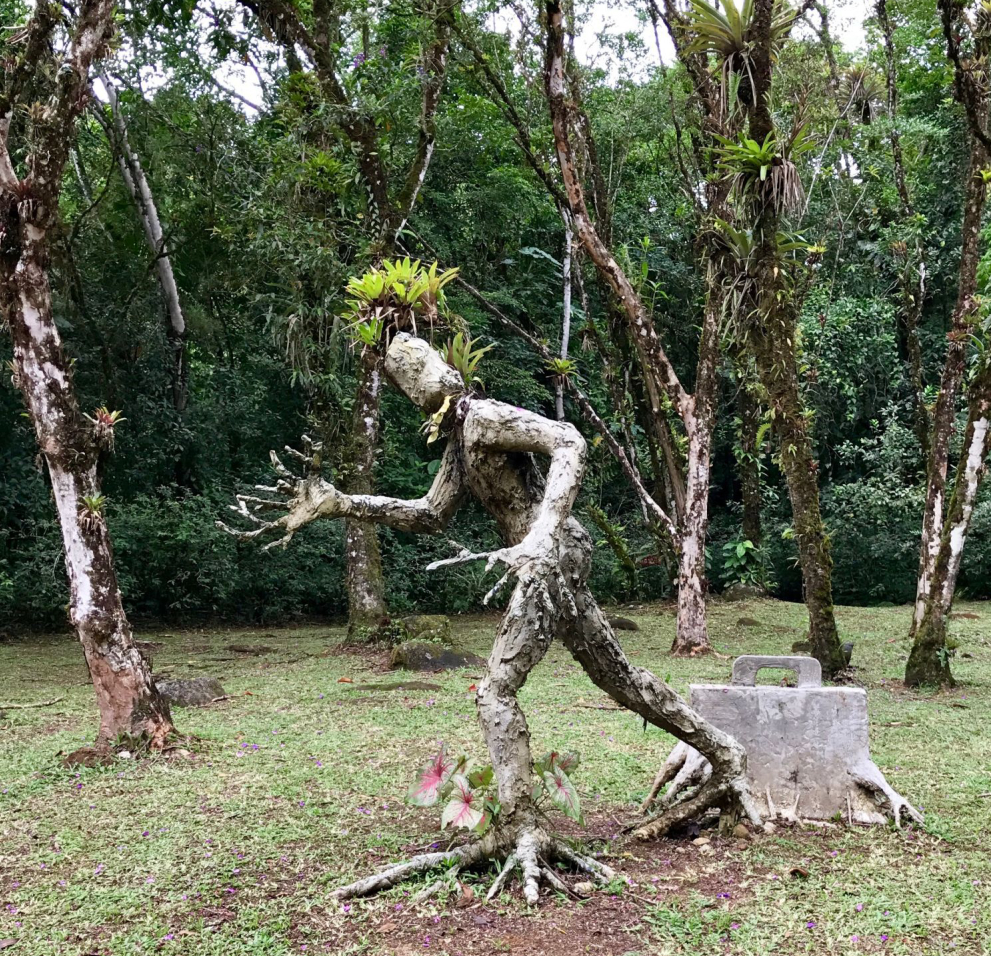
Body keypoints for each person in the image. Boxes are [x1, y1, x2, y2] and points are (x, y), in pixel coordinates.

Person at [227, 331, 757, 900]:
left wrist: (543, 533)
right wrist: (343, 503)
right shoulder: (460, 443)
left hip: (551, 553)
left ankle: (521, 826)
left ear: (447, 366)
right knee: (617, 676)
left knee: (495, 690)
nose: (417, 372)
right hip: (548, 555)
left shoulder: (483, 416)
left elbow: (570, 442)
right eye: (405, 370)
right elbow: (430, 514)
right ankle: (725, 753)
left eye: (420, 358)